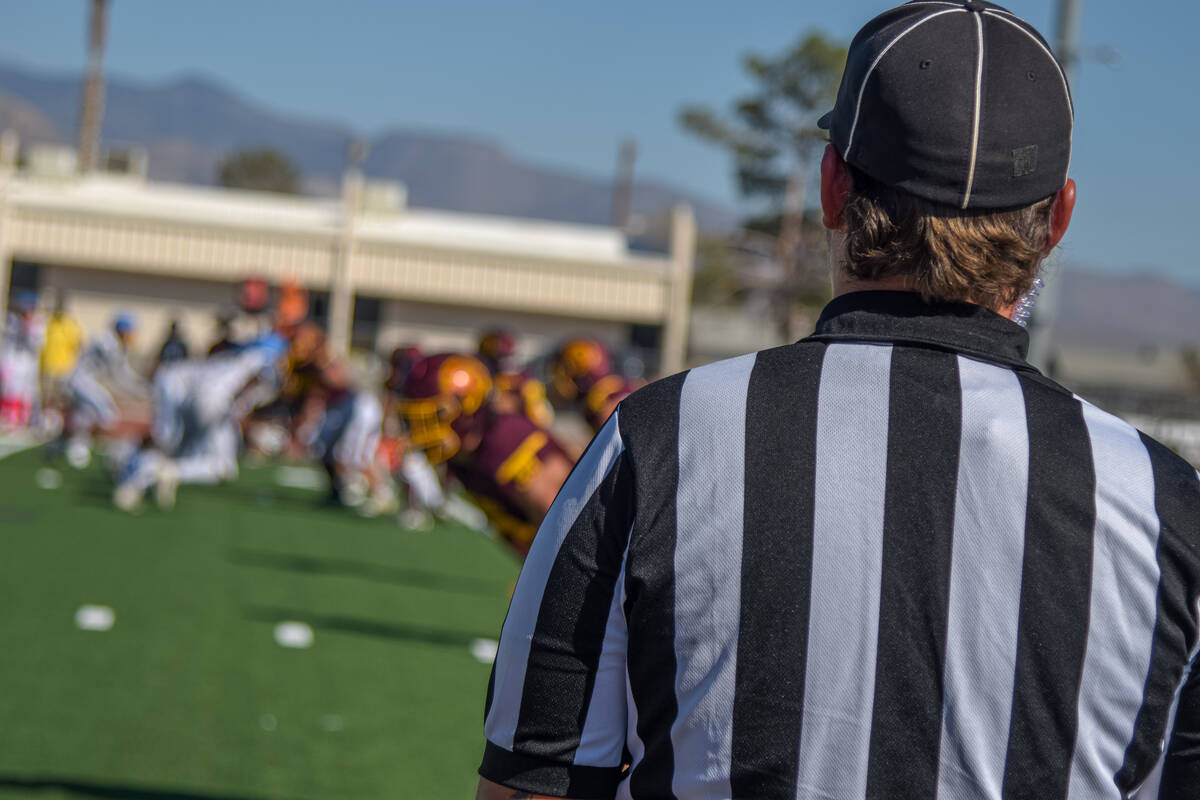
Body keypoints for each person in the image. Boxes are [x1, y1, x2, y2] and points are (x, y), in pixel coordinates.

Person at [476, 3, 1200, 799]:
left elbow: (528, 783)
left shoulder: (657, 440)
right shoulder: (1168, 507)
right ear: (1056, 220)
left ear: (832, 187)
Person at [401, 353, 573, 559]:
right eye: (416, 421)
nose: (422, 433)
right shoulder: (463, 457)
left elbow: (570, 524)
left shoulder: (506, 442)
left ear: (469, 404)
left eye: (437, 416)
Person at [60, 312, 147, 467]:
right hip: (81, 381)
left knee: (86, 416)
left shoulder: (115, 344)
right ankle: (70, 438)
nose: (134, 335)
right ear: (124, 330)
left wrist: (141, 387)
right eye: (132, 331)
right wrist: (141, 391)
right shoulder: (108, 343)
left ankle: (74, 447)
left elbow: (122, 373)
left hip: (85, 381)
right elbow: (118, 376)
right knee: (107, 414)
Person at [0, 291, 45, 429]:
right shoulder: (12, 321)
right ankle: (8, 419)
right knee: (10, 389)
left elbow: (36, 344)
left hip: (28, 363)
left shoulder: (37, 325)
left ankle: (23, 421)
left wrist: (29, 328)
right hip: (13, 361)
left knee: (27, 393)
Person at [39, 291, 84, 409]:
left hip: (63, 368)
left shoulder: (71, 324)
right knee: (45, 395)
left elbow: (78, 345)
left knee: (60, 397)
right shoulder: (48, 321)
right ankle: (44, 418)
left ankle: (56, 419)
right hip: (47, 366)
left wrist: (73, 366)